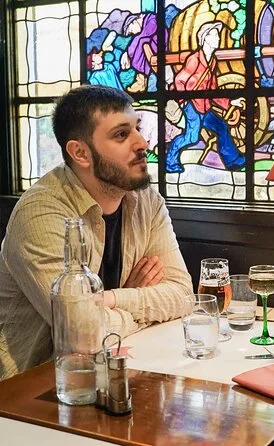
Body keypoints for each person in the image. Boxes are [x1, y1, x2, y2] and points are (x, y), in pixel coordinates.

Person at [0, 85, 193, 381]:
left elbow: (183, 295)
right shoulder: (40, 214)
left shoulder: (146, 201)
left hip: (112, 371)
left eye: (137, 128)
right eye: (121, 134)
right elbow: (83, 334)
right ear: (80, 153)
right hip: (34, 388)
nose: (142, 142)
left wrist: (112, 299)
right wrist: (141, 302)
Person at [165, 21, 245, 173]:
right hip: (192, 106)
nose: (218, 38)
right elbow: (179, 79)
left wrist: (230, 103)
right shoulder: (194, 59)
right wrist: (187, 97)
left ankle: (233, 160)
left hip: (204, 106)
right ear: (205, 38)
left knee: (221, 126)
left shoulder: (211, 62)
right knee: (191, 137)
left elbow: (213, 90)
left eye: (218, 35)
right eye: (214, 35)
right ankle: (170, 161)